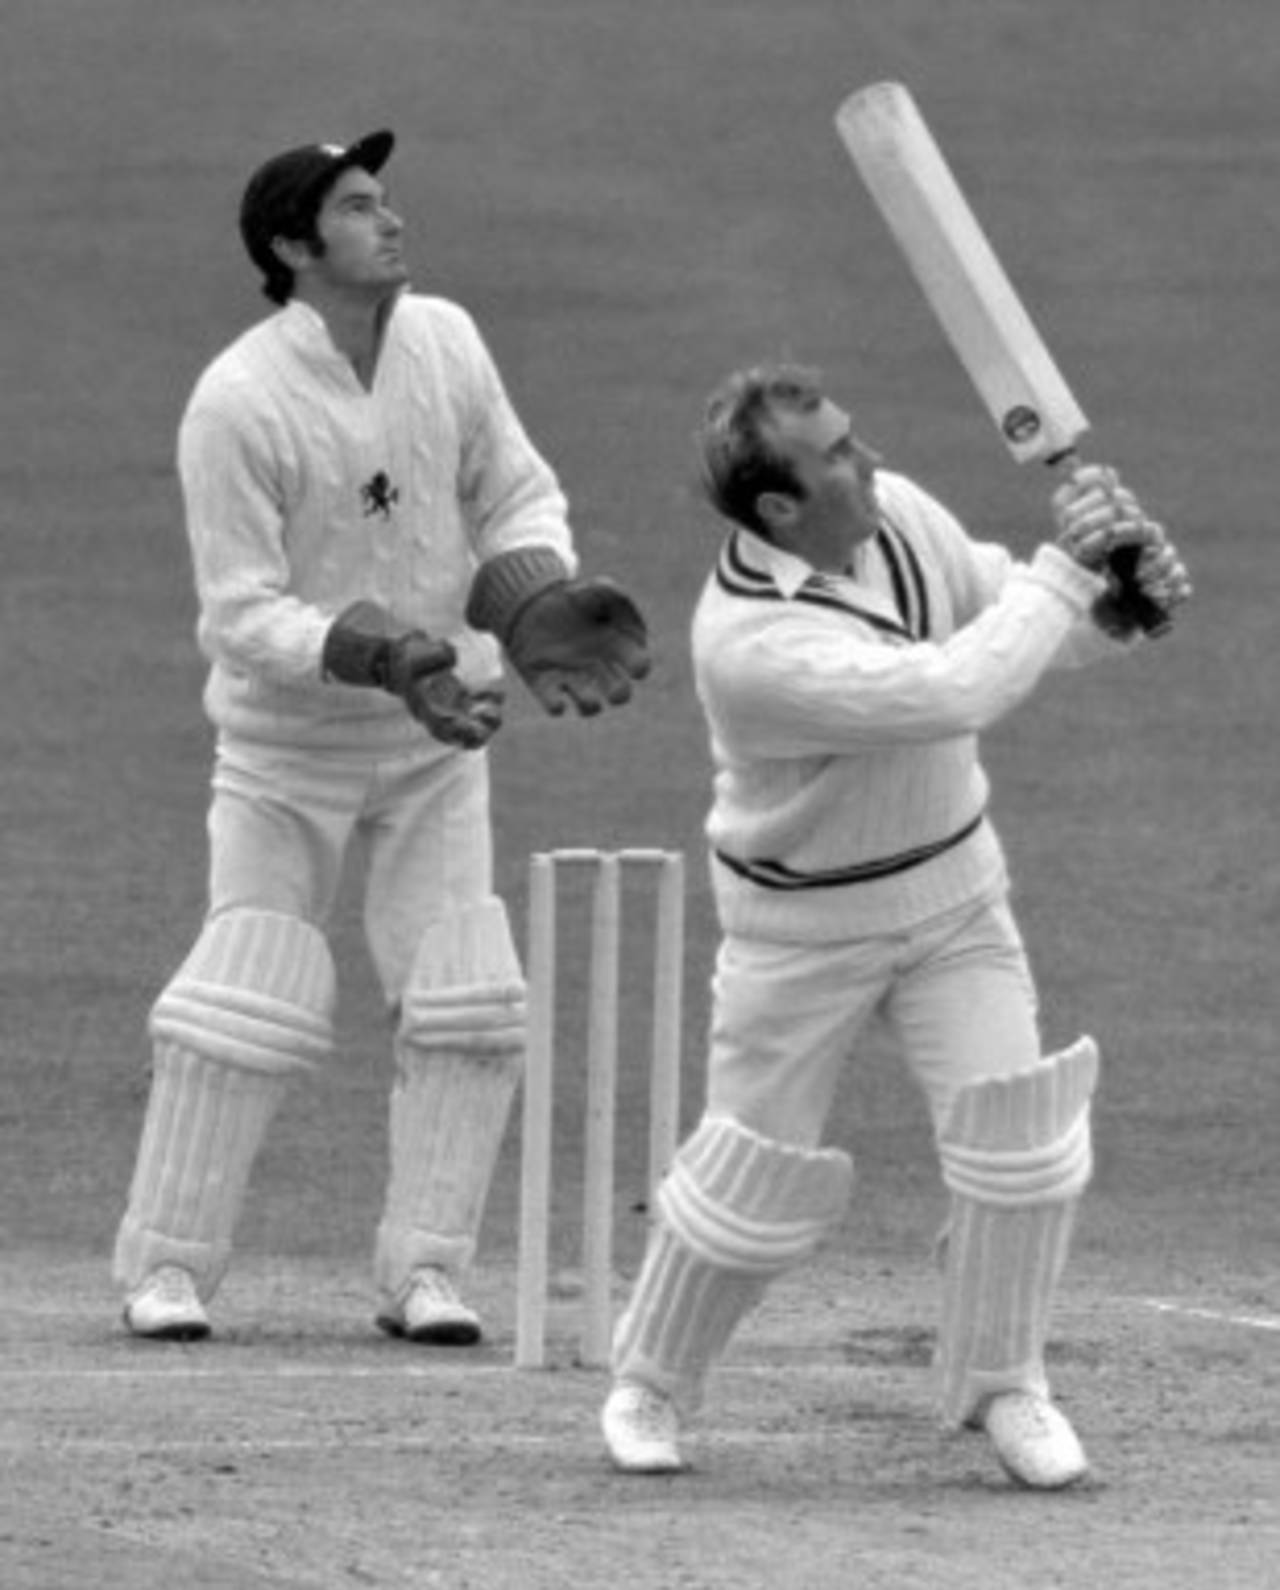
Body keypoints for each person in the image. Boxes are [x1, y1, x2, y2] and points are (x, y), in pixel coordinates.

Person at [599, 362, 1190, 1487]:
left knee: (1020, 1148)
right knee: (746, 1182)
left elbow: (1002, 608)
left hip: (953, 898)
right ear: (777, 507)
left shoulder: (897, 513)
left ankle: (1003, 1386)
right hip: (799, 933)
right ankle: (650, 1382)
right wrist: (1068, 574)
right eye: (833, 456)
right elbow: (948, 689)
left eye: (850, 436)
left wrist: (1113, 608)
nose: (864, 461)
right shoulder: (749, 642)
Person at [112, 130, 649, 1346]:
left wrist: (524, 598)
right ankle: (168, 1268)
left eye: (386, 197)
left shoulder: (446, 341)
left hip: (437, 743)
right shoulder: (237, 400)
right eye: (359, 207)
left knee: (466, 1004)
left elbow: (516, 490)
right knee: (242, 1004)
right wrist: (391, 655)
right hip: (287, 750)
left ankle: (426, 1273)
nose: (391, 218)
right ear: (294, 247)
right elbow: (239, 612)